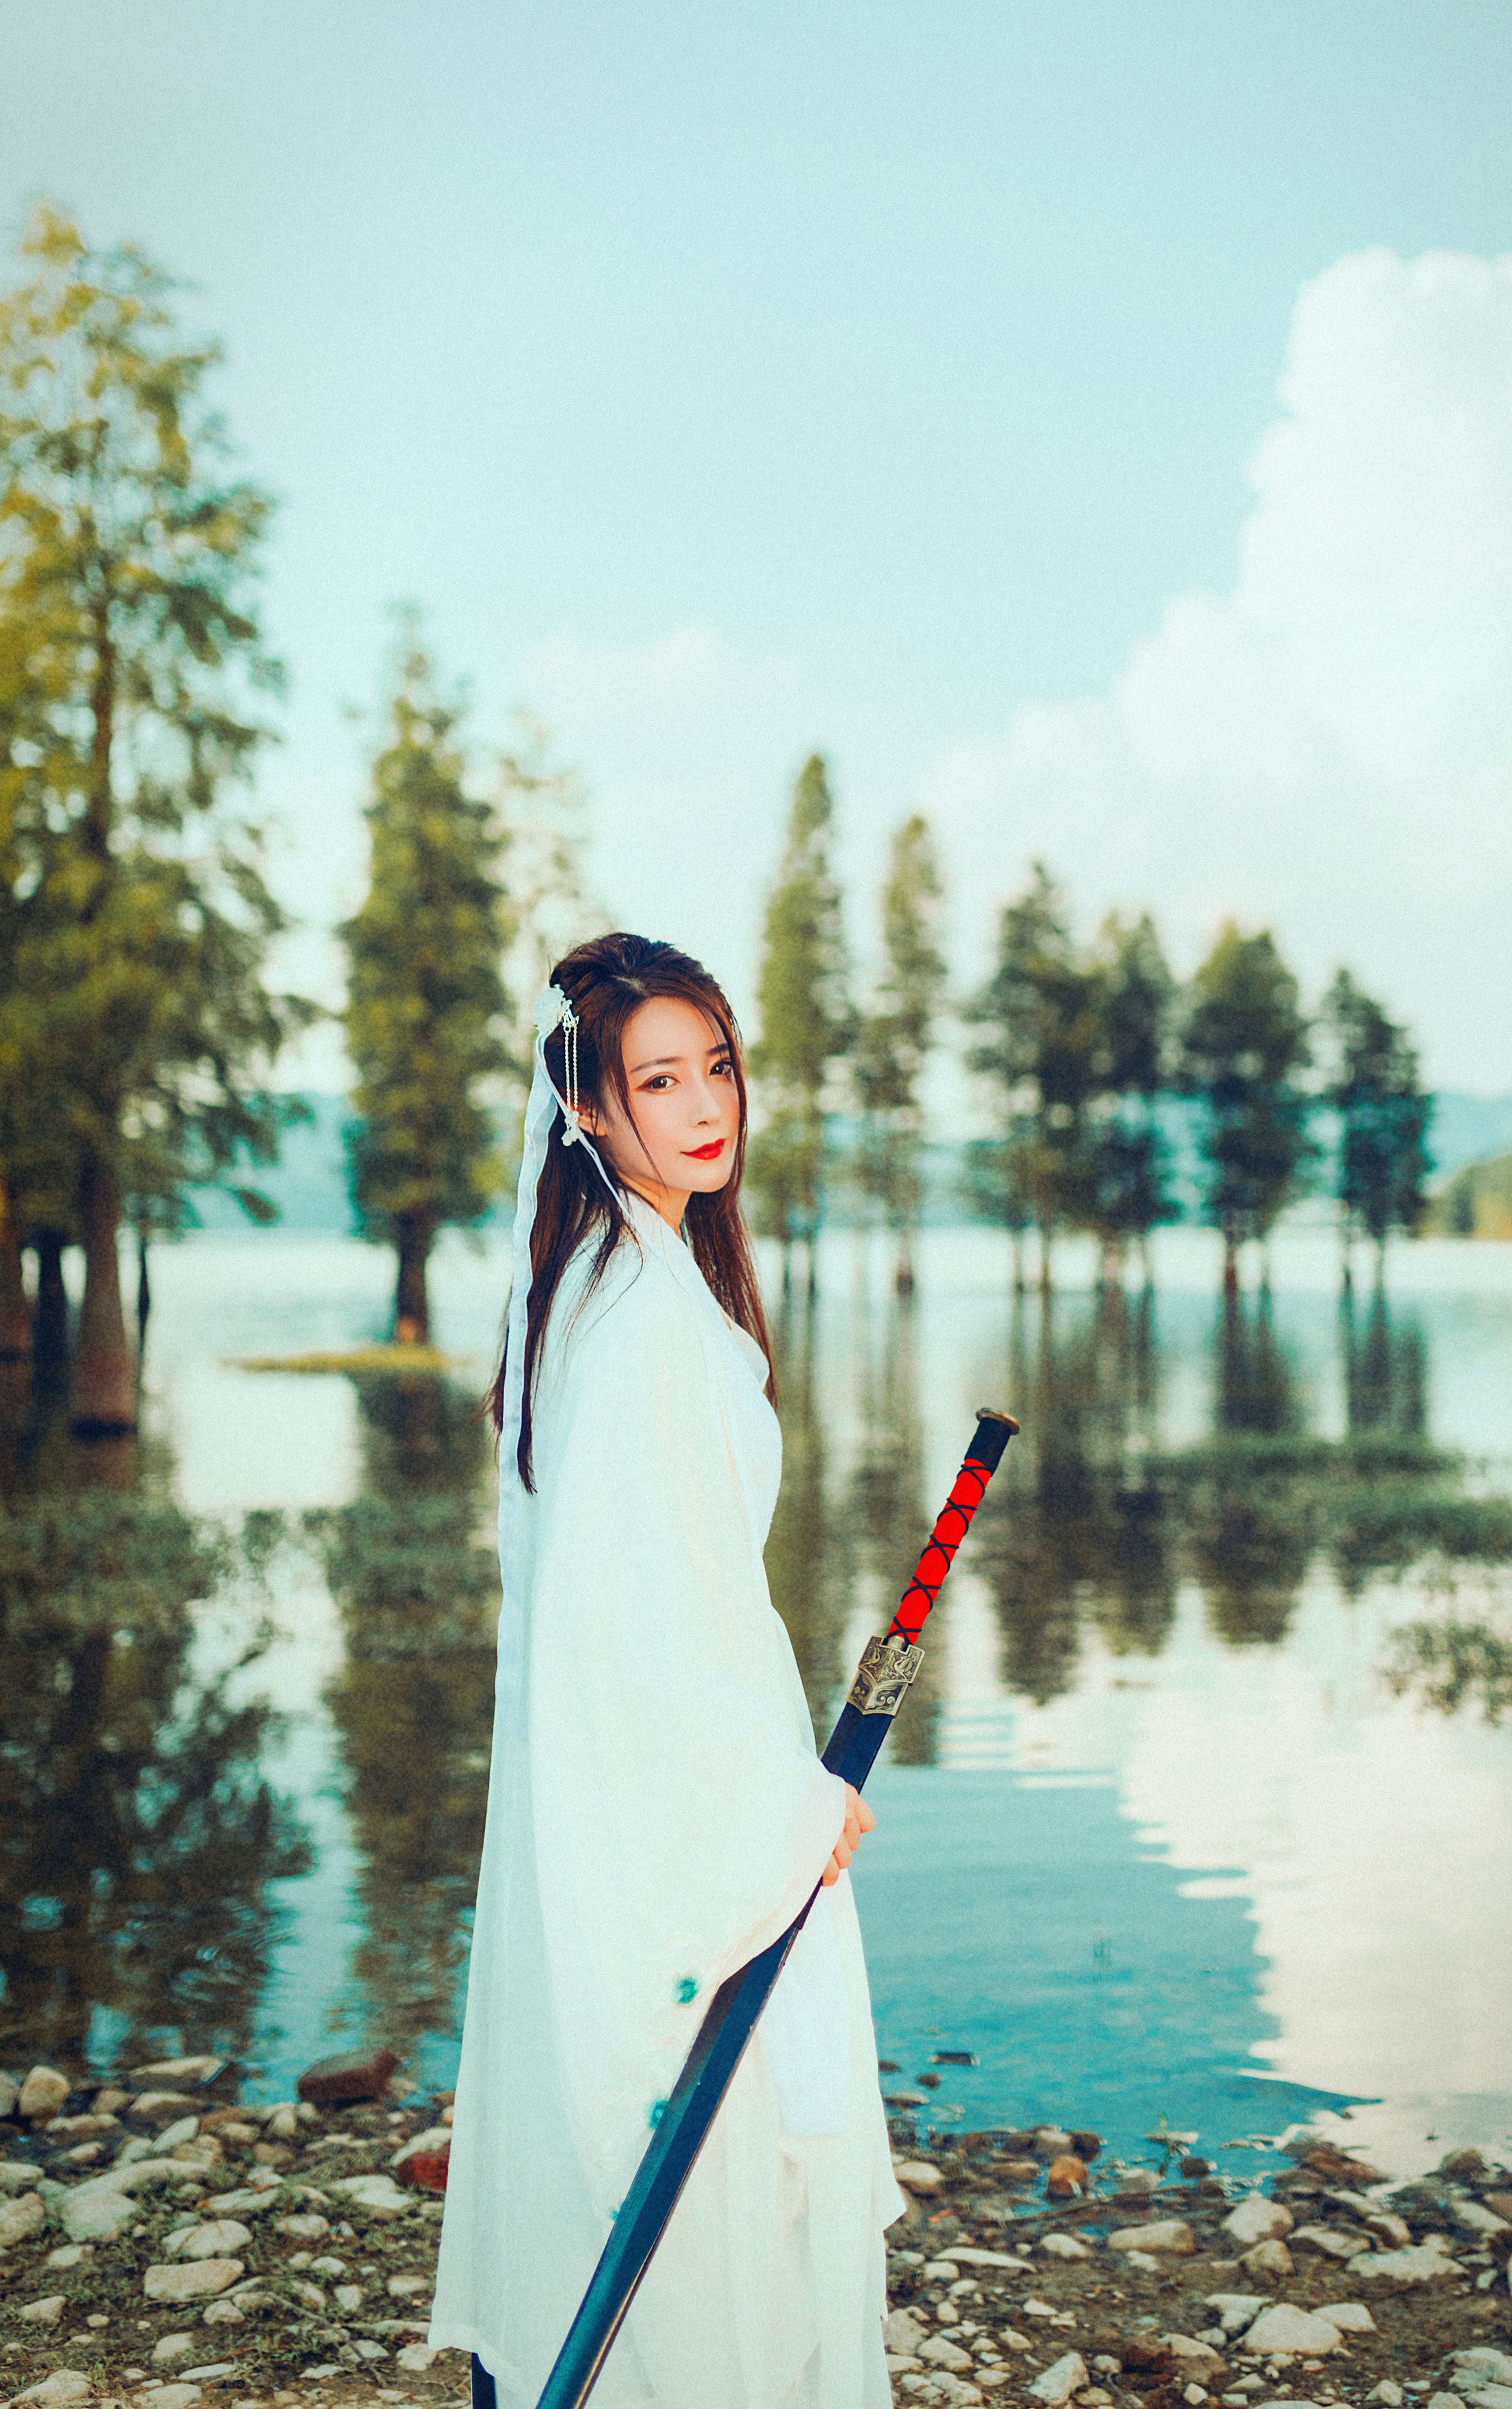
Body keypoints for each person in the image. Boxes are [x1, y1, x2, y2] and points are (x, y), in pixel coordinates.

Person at [430, 934, 902, 2408]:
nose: (706, 1107)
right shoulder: (642, 1326)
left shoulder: (591, 1281)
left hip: (635, 1803)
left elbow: (660, 1609)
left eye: (717, 1068)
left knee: (623, 2164)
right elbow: (628, 1631)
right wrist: (786, 1812)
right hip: (673, 1815)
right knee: (699, 2193)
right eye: (659, 1078)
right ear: (589, 1107)